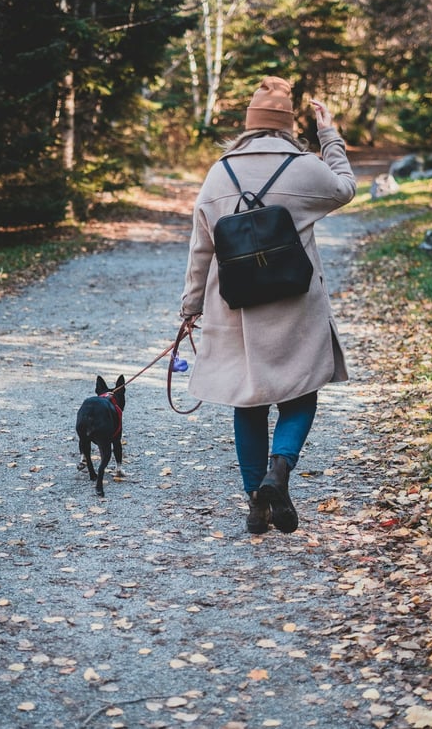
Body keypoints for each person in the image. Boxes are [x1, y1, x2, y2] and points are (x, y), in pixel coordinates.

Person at [179, 76, 357, 535]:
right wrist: (328, 135)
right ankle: (279, 470)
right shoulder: (302, 166)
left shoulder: (220, 172)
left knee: (248, 401)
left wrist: (191, 305)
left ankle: (257, 500)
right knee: (301, 392)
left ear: (249, 124)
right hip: (296, 304)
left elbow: (201, 246)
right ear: (287, 124)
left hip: (236, 308)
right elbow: (345, 189)